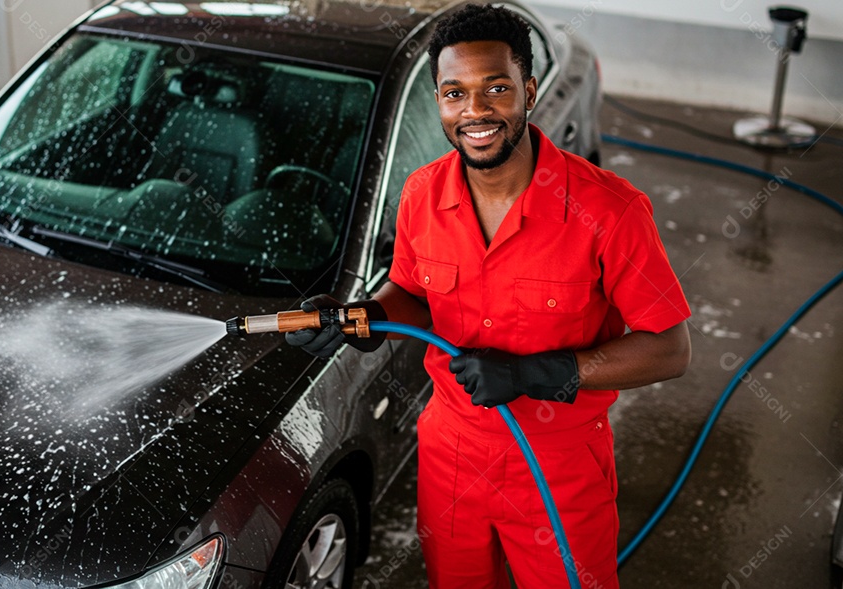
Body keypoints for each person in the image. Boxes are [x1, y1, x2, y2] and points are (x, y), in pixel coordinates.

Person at [285, 3, 692, 588]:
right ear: (439, 100)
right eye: (455, 93)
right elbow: (412, 294)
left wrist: (535, 375)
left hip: (558, 464)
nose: (475, 111)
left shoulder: (609, 211)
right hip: (451, 454)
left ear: (529, 91)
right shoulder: (422, 194)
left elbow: (670, 349)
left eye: (496, 89)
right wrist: (362, 318)